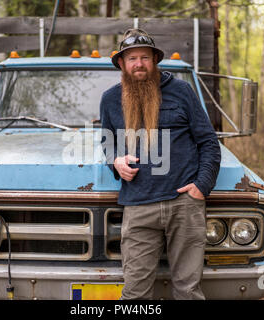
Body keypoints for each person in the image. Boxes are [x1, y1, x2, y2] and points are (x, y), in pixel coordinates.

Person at [99, 29, 221, 300]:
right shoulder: (110, 99)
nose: (138, 64)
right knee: (135, 293)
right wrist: (116, 161)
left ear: (155, 60)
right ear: (121, 63)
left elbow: (209, 143)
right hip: (138, 206)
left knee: (188, 290)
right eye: (131, 59)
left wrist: (201, 186)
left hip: (184, 205)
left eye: (144, 57)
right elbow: (107, 143)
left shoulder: (182, 91)